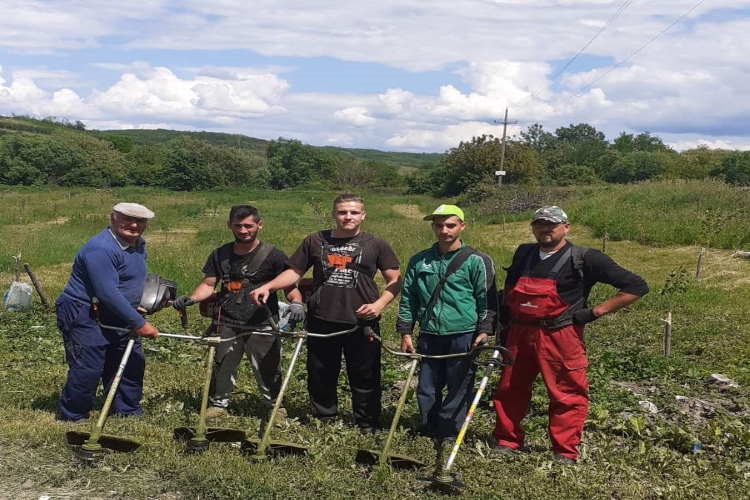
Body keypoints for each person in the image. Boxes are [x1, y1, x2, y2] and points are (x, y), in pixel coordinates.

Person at [492, 206, 649, 463]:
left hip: (560, 335)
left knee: (567, 393)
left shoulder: (585, 258)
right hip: (519, 333)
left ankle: (564, 451)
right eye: (540, 224)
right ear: (533, 227)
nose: (546, 228)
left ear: (566, 226)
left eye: (552, 224)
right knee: (510, 389)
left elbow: (637, 286)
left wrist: (595, 311)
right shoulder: (524, 253)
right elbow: (510, 288)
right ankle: (507, 440)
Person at [250, 193, 401, 433]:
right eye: (342, 212)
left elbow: (394, 280)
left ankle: (367, 423)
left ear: (363, 215)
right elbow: (294, 273)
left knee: (365, 374)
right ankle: (324, 417)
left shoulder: (376, 244)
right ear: (334, 214)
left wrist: (379, 305)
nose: (347, 216)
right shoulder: (315, 240)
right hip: (321, 318)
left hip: (362, 320)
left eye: (353, 212)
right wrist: (269, 286)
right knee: (320, 372)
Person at [172, 205, 305, 420]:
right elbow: (209, 284)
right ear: (230, 226)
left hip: (262, 321)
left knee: (268, 367)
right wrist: (191, 298)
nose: (243, 230)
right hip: (227, 321)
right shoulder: (220, 254)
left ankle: (275, 407)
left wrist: (297, 304)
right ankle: (218, 405)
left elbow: (290, 287)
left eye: (248, 226)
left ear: (259, 225)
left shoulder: (274, 255)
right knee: (222, 364)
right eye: (238, 226)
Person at [396, 204, 497, 472]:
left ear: (462, 226)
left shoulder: (477, 260)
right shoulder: (420, 260)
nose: (444, 230)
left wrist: (484, 329)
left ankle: (450, 429)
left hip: (462, 333)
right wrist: (406, 331)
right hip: (429, 333)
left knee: (458, 385)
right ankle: (429, 427)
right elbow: (408, 297)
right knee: (427, 385)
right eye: (439, 225)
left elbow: (486, 299)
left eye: (450, 225)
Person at [56, 203, 159, 422]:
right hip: (84, 311)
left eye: (140, 221)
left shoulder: (138, 244)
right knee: (88, 365)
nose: (134, 225)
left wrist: (134, 304)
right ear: (112, 218)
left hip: (117, 310)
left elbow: (126, 280)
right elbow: (107, 292)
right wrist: (139, 323)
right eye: (127, 219)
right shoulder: (100, 248)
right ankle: (73, 415)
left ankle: (126, 410)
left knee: (129, 361)